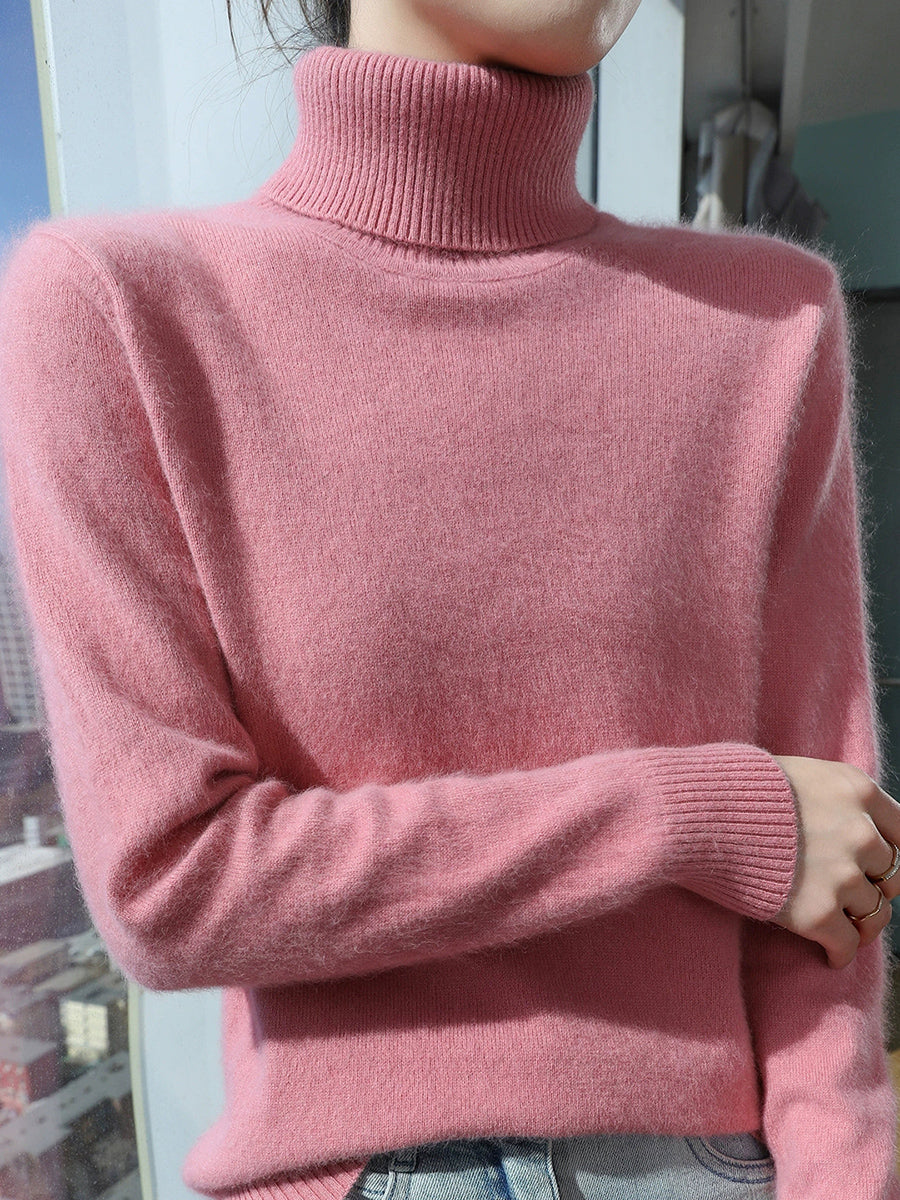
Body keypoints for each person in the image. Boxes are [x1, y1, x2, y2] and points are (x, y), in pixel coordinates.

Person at [0, 0, 898, 1197]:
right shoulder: (118, 311)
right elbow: (172, 886)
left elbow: (830, 879)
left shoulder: (769, 321)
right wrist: (684, 817)